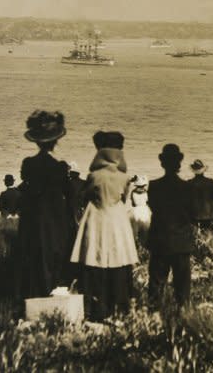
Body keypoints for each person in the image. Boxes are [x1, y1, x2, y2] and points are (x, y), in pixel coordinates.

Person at [70, 131, 139, 321]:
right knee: (119, 259)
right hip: (117, 219)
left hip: (97, 217)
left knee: (96, 257)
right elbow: (125, 197)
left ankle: (97, 306)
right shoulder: (124, 177)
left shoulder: (94, 175)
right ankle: (120, 305)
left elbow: (85, 195)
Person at [15, 110, 74, 299]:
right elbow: (69, 194)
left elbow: (26, 189)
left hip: (32, 217)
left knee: (33, 254)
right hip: (55, 218)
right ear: (56, 140)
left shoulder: (29, 164)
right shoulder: (59, 167)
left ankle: (32, 295)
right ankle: (53, 291)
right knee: (54, 253)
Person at [147, 144, 195, 307]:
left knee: (156, 284)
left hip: (160, 239)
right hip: (181, 241)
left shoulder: (153, 186)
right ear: (179, 164)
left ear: (162, 163)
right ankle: (183, 317)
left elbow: (154, 208)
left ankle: (154, 319)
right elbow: (192, 213)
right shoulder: (187, 188)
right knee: (182, 288)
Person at [187, 159, 213, 228]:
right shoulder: (210, 182)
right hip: (208, 214)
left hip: (193, 214)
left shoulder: (189, 183)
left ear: (194, 171)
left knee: (195, 234)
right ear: (203, 170)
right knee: (206, 233)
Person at [129, 175, 151, 248]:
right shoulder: (146, 192)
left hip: (135, 211)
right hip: (145, 210)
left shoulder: (133, 192)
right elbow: (148, 202)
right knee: (146, 231)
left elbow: (133, 203)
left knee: (134, 232)